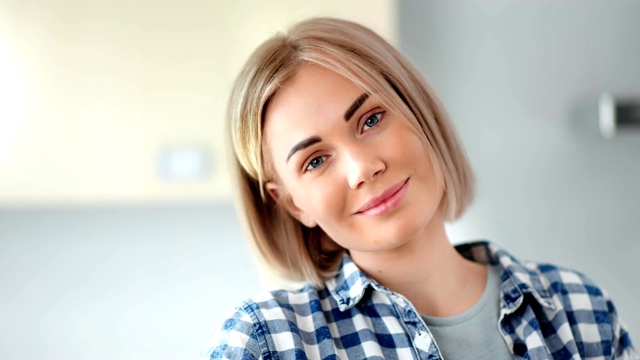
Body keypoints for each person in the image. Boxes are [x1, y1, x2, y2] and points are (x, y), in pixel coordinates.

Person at [203, 17, 637, 359]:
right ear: (294, 205)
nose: (363, 168)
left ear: (418, 113)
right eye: (315, 161)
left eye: (371, 120)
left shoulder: (579, 309)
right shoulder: (266, 344)